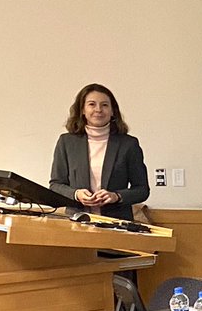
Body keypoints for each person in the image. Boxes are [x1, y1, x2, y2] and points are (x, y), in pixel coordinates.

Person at [50, 83, 150, 220]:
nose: (98, 109)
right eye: (92, 104)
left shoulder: (128, 144)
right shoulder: (66, 142)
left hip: (116, 223)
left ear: (112, 111)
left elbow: (142, 190)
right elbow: (55, 185)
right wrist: (76, 194)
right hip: (76, 222)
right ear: (82, 110)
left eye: (104, 105)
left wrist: (116, 196)